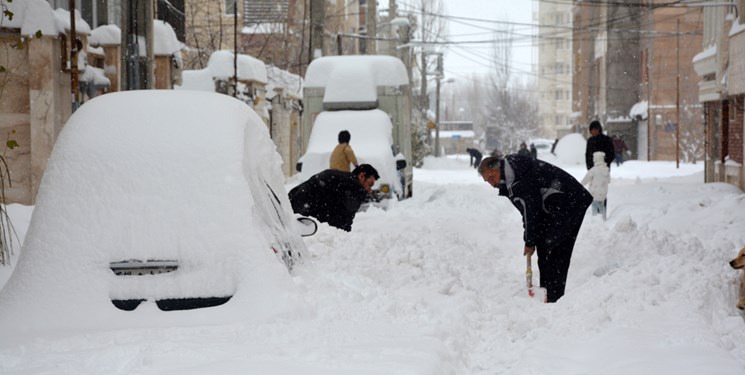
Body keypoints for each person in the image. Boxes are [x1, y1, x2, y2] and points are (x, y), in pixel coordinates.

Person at [478, 155, 592, 303]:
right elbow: (527, 211)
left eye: (491, 178)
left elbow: (531, 209)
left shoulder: (517, 176)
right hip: (560, 205)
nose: (492, 184)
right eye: (487, 181)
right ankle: (549, 294)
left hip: (569, 202)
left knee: (552, 248)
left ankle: (553, 298)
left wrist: (530, 241)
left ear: (497, 167)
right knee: (545, 247)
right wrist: (531, 238)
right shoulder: (511, 175)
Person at [289, 164, 379, 232]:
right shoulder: (354, 188)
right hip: (304, 219)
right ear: (361, 176)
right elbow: (343, 220)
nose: (369, 190)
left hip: (291, 205)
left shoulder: (340, 178)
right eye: (370, 184)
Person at [581, 151, 610, 220]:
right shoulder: (606, 170)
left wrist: (581, 184)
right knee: (601, 206)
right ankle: (603, 219)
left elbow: (586, 179)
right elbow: (608, 181)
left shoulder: (593, 170)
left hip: (594, 193)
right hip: (603, 193)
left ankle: (595, 221)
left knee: (594, 207)